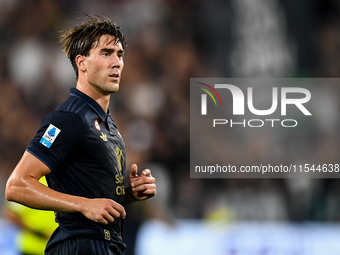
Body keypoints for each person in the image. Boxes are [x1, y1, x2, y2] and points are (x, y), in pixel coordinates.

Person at [5, 15, 156, 255]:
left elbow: (96, 203)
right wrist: (84, 204)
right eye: (106, 53)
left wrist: (129, 195)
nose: (116, 62)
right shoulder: (69, 118)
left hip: (108, 245)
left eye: (120, 54)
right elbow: (16, 186)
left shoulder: (110, 127)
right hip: (78, 246)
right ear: (82, 63)